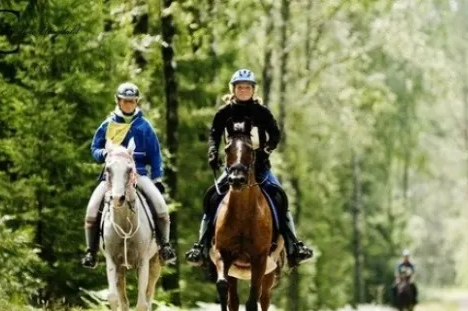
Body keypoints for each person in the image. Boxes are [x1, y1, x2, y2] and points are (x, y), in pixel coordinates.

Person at [184, 68, 313, 268]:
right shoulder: (224, 113)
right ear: (233, 89)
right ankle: (201, 246)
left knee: (280, 197)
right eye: (240, 87)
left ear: (253, 90)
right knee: (212, 197)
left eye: (247, 87)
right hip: (233, 170)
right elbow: (214, 135)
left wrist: (266, 149)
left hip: (260, 169)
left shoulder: (262, 112)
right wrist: (212, 152)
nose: (243, 90)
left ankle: (293, 246)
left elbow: (275, 133)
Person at [81, 82, 176, 268]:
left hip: (138, 173)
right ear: (118, 101)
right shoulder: (108, 125)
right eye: (125, 102)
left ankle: (164, 245)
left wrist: (157, 178)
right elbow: (95, 148)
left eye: (131, 102)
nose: (128, 105)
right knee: (92, 208)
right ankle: (91, 252)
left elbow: (155, 154)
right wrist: (103, 154)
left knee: (160, 206)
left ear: (136, 102)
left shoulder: (144, 126)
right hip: (113, 176)